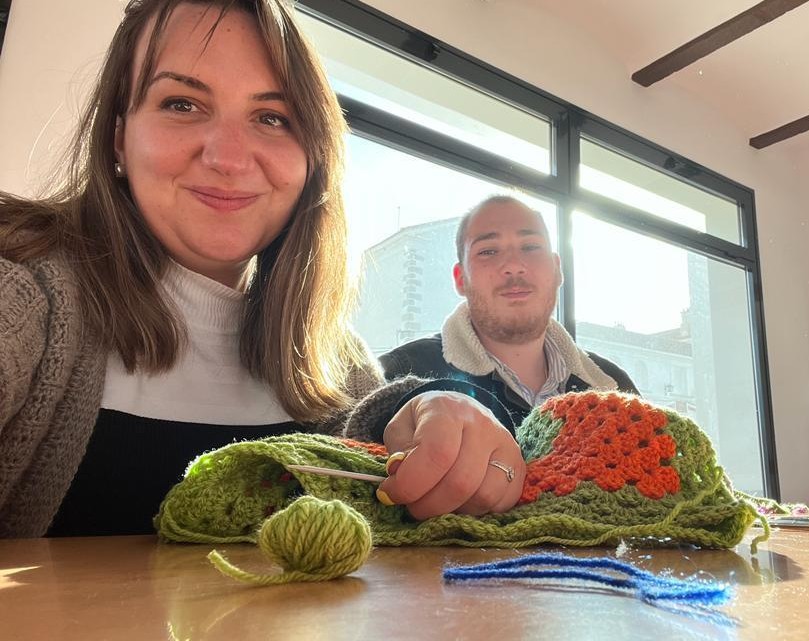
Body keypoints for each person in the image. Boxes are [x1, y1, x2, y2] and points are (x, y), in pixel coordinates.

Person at [0, 0, 519, 536]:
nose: (229, 157)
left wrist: (441, 414)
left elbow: (374, 431)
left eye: (272, 118)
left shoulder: (333, 355)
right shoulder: (23, 290)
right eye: (182, 104)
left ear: (312, 157)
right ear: (117, 137)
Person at [379, 195, 640, 430]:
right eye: (488, 251)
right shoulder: (394, 376)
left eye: (530, 247)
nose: (514, 266)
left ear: (557, 269)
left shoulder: (615, 386)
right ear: (460, 279)